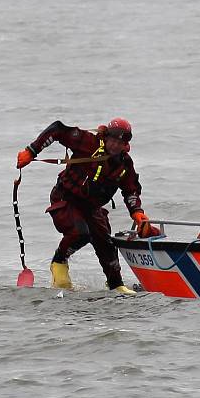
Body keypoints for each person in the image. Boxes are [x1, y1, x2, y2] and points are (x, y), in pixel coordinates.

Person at [16, 118, 159, 295]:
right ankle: (59, 262)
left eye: (120, 143)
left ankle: (116, 285)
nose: (115, 146)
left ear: (125, 145)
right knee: (80, 233)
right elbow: (57, 129)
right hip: (66, 198)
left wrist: (137, 213)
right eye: (113, 140)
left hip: (91, 207)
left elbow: (131, 190)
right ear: (105, 137)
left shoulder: (125, 164)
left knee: (106, 244)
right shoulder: (87, 141)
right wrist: (31, 151)